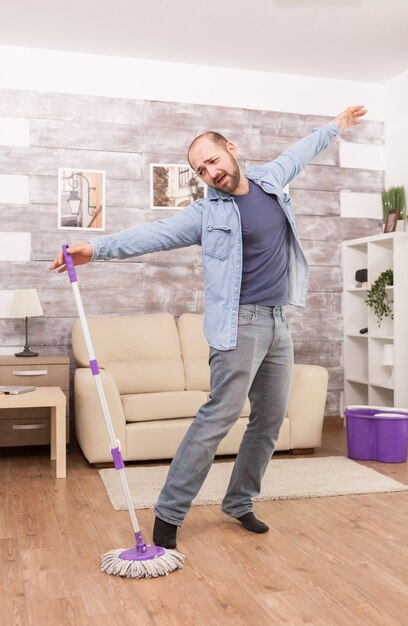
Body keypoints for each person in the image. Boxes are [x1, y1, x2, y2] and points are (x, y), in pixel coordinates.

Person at [50, 104, 367, 549]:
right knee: (218, 415)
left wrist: (336, 126)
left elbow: (301, 149)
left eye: (213, 160)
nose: (210, 172)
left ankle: (239, 502)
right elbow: (154, 234)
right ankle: (168, 513)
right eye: (201, 169)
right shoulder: (206, 214)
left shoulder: (272, 179)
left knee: (270, 420)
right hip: (239, 323)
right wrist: (97, 249)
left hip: (278, 321)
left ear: (231, 150)